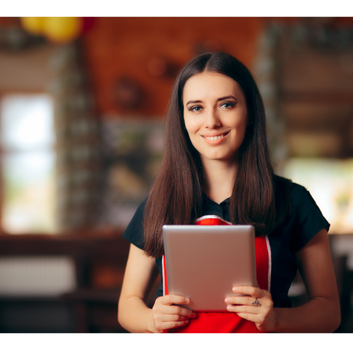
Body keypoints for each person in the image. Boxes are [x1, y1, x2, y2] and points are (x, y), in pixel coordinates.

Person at [117, 52, 340, 333]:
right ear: (182, 120)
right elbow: (128, 306)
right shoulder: (159, 204)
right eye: (196, 108)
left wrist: (277, 320)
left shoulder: (294, 202)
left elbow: (329, 312)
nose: (211, 121)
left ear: (249, 113)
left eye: (226, 104)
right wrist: (151, 319)